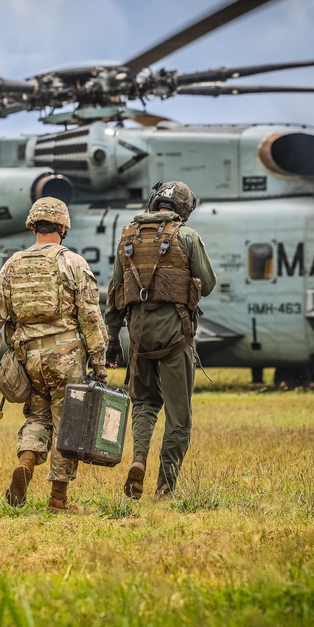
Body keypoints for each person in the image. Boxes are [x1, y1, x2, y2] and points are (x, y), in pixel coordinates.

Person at [0, 197, 107, 514]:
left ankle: (26, 463)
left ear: (32, 226)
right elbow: (90, 317)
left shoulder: (12, 264)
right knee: (68, 423)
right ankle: (58, 500)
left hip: (28, 359)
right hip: (65, 355)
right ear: (63, 227)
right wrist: (99, 361)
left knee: (38, 416)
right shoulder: (73, 263)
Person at [105, 181, 216, 500]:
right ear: (183, 209)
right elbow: (207, 284)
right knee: (179, 418)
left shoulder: (128, 236)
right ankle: (165, 488)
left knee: (143, 403)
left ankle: (138, 459)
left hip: (138, 338)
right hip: (176, 338)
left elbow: (115, 292)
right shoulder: (187, 237)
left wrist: (113, 338)